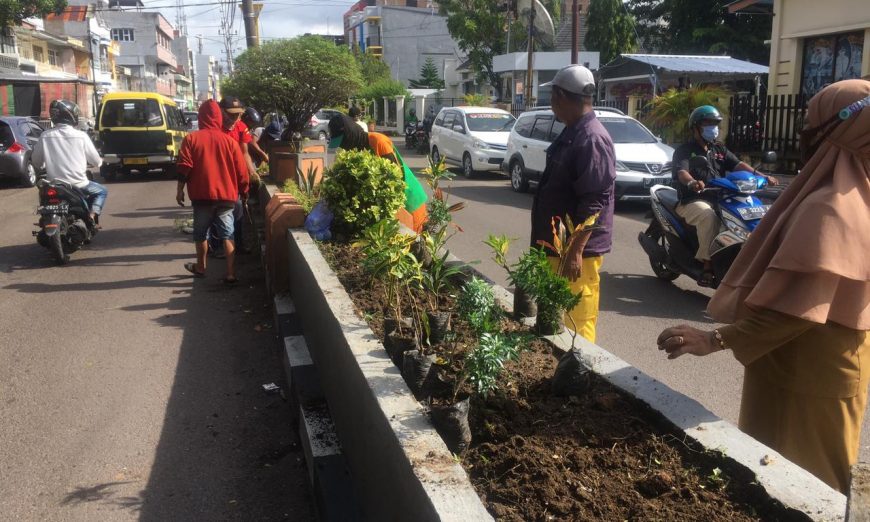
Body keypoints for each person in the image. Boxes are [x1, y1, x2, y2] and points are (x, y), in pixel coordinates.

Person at [657, 79, 870, 494]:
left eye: (811, 125)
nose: (803, 135)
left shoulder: (830, 207)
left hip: (803, 382)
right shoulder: (856, 193)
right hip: (822, 371)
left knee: (796, 491)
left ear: (832, 132)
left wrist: (713, 339)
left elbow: (796, 312)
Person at [531, 65, 616, 343]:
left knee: (576, 321)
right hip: (559, 249)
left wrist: (576, 249)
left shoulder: (591, 138)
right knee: (556, 318)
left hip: (575, 254)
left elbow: (595, 200)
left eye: (552, 98)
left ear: (560, 96)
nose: (551, 104)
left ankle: (580, 376)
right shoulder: (574, 131)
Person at [672, 105, 779, 287]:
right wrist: (692, 183)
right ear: (696, 127)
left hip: (720, 197)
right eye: (707, 123)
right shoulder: (684, 150)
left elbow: (738, 165)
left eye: (714, 123)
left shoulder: (719, 149)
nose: (712, 127)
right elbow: (682, 172)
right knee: (709, 217)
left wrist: (762, 176)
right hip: (693, 200)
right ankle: (707, 265)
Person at [176, 99, 249, 284]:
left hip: (202, 198)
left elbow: (184, 167)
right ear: (219, 117)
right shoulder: (229, 141)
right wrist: (245, 191)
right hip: (226, 198)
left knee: (200, 234)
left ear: (200, 117)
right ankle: (231, 273)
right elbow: (242, 171)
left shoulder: (191, 139)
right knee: (228, 234)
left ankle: (201, 267)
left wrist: (179, 190)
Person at [327, 114, 428, 232]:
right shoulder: (356, 151)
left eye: (342, 141)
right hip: (392, 205)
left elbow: (395, 175)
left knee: (415, 239)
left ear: (349, 132)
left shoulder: (378, 141)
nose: (342, 146)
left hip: (409, 198)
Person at [31, 99, 106, 225]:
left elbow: (36, 162)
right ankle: (92, 216)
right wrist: (99, 162)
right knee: (102, 191)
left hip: (53, 184)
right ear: (70, 115)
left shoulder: (45, 135)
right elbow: (96, 161)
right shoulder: (81, 136)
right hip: (79, 185)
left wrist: (44, 164)